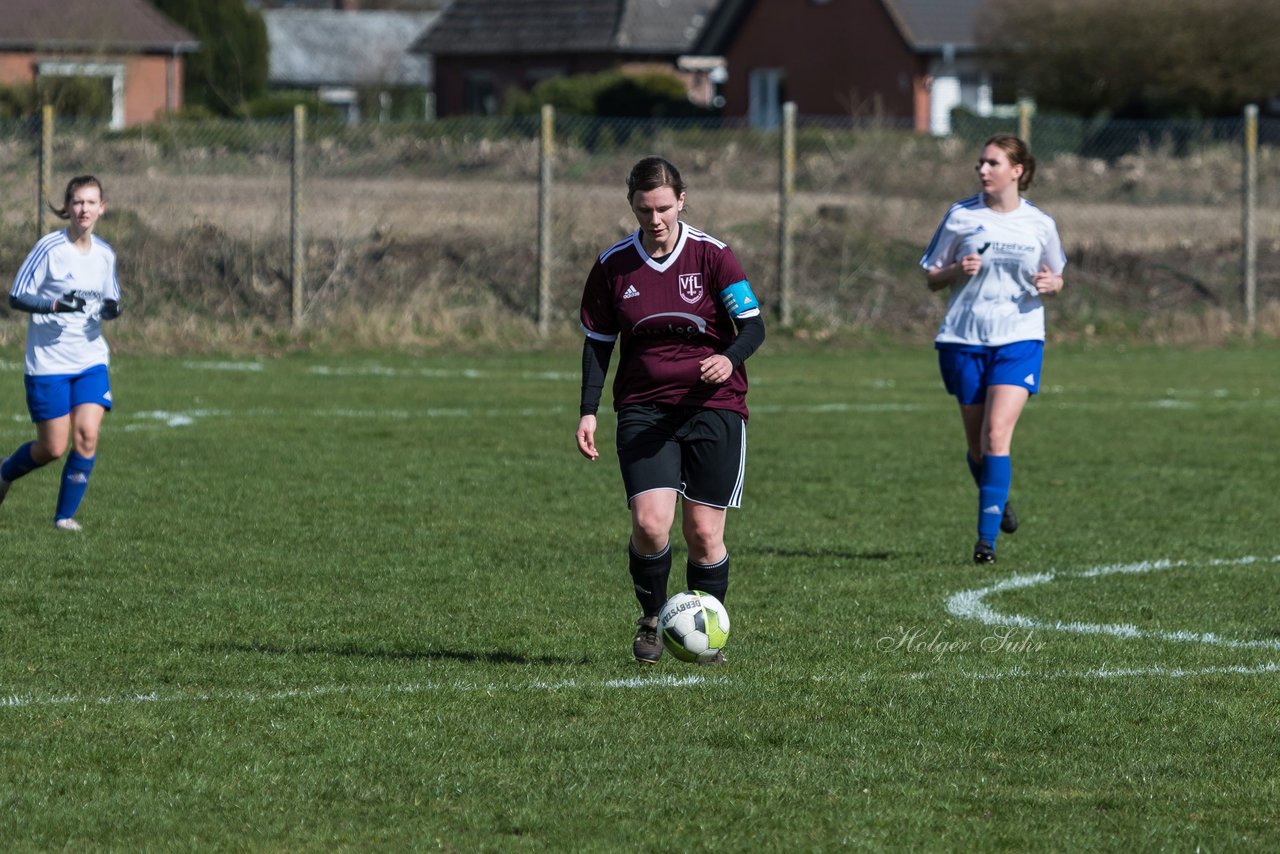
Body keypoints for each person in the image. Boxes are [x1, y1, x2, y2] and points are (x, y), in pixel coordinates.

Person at [576, 156, 765, 664]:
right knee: (651, 523)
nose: (655, 219)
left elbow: (753, 326)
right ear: (632, 206)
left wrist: (728, 359)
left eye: (663, 208)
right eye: (644, 210)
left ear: (682, 200)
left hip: (714, 408)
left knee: (704, 534)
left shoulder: (714, 256)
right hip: (644, 408)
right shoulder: (614, 265)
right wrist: (588, 410)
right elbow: (598, 343)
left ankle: (708, 632)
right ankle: (652, 621)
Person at [920, 135, 1065, 565]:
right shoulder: (961, 217)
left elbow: (1056, 277)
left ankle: (986, 543)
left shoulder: (1040, 224)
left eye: (993, 163)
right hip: (963, 339)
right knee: (979, 448)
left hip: (1020, 336)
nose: (983, 170)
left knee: (997, 435)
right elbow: (931, 275)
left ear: (1017, 171)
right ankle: (996, 498)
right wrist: (953, 270)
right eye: (980, 163)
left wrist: (1052, 285)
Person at [0, 175, 123, 531]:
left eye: (90, 202)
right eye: (77, 202)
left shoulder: (105, 254)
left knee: (86, 435)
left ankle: (63, 518)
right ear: (67, 207)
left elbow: (112, 299)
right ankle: (5, 471)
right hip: (47, 363)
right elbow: (16, 295)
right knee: (52, 448)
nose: (84, 209)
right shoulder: (49, 249)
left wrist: (113, 309)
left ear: (102, 208)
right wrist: (54, 305)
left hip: (90, 359)